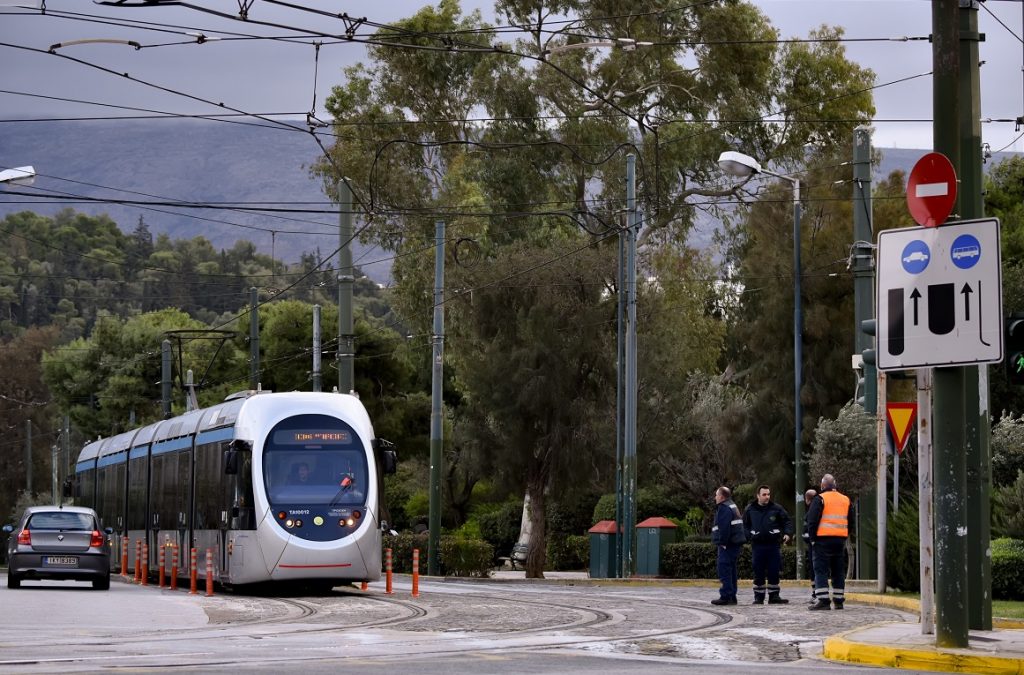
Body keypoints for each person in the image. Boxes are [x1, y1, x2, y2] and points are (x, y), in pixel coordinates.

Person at [806, 474, 854, 610]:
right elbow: (851, 522)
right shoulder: (845, 499)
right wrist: (844, 535)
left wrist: (813, 540)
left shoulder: (820, 499)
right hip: (839, 540)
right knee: (838, 570)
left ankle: (823, 600)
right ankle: (839, 600)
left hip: (822, 540)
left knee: (820, 570)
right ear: (835, 485)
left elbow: (812, 521)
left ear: (822, 486)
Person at [743, 484, 793, 605]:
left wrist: (787, 533)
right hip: (758, 546)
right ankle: (758, 597)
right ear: (758, 496)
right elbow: (744, 525)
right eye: (764, 494)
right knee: (758, 570)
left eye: (768, 494)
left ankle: (774, 596)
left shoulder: (776, 508)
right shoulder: (750, 509)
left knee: (774, 570)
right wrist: (749, 535)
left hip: (773, 545)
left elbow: (787, 521)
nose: (767, 497)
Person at [710, 486, 747, 606]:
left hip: (728, 544)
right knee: (731, 570)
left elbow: (724, 528)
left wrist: (723, 542)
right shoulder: (732, 505)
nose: (715, 497)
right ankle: (732, 596)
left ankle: (726, 596)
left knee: (724, 569)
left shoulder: (724, 508)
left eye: (716, 495)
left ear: (721, 496)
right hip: (734, 543)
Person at [802, 488, 818, 604]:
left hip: (814, 546)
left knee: (815, 570)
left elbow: (805, 533)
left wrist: (811, 540)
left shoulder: (809, 514)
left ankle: (816, 594)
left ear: (807, 500)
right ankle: (817, 593)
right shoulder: (821, 509)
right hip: (821, 544)